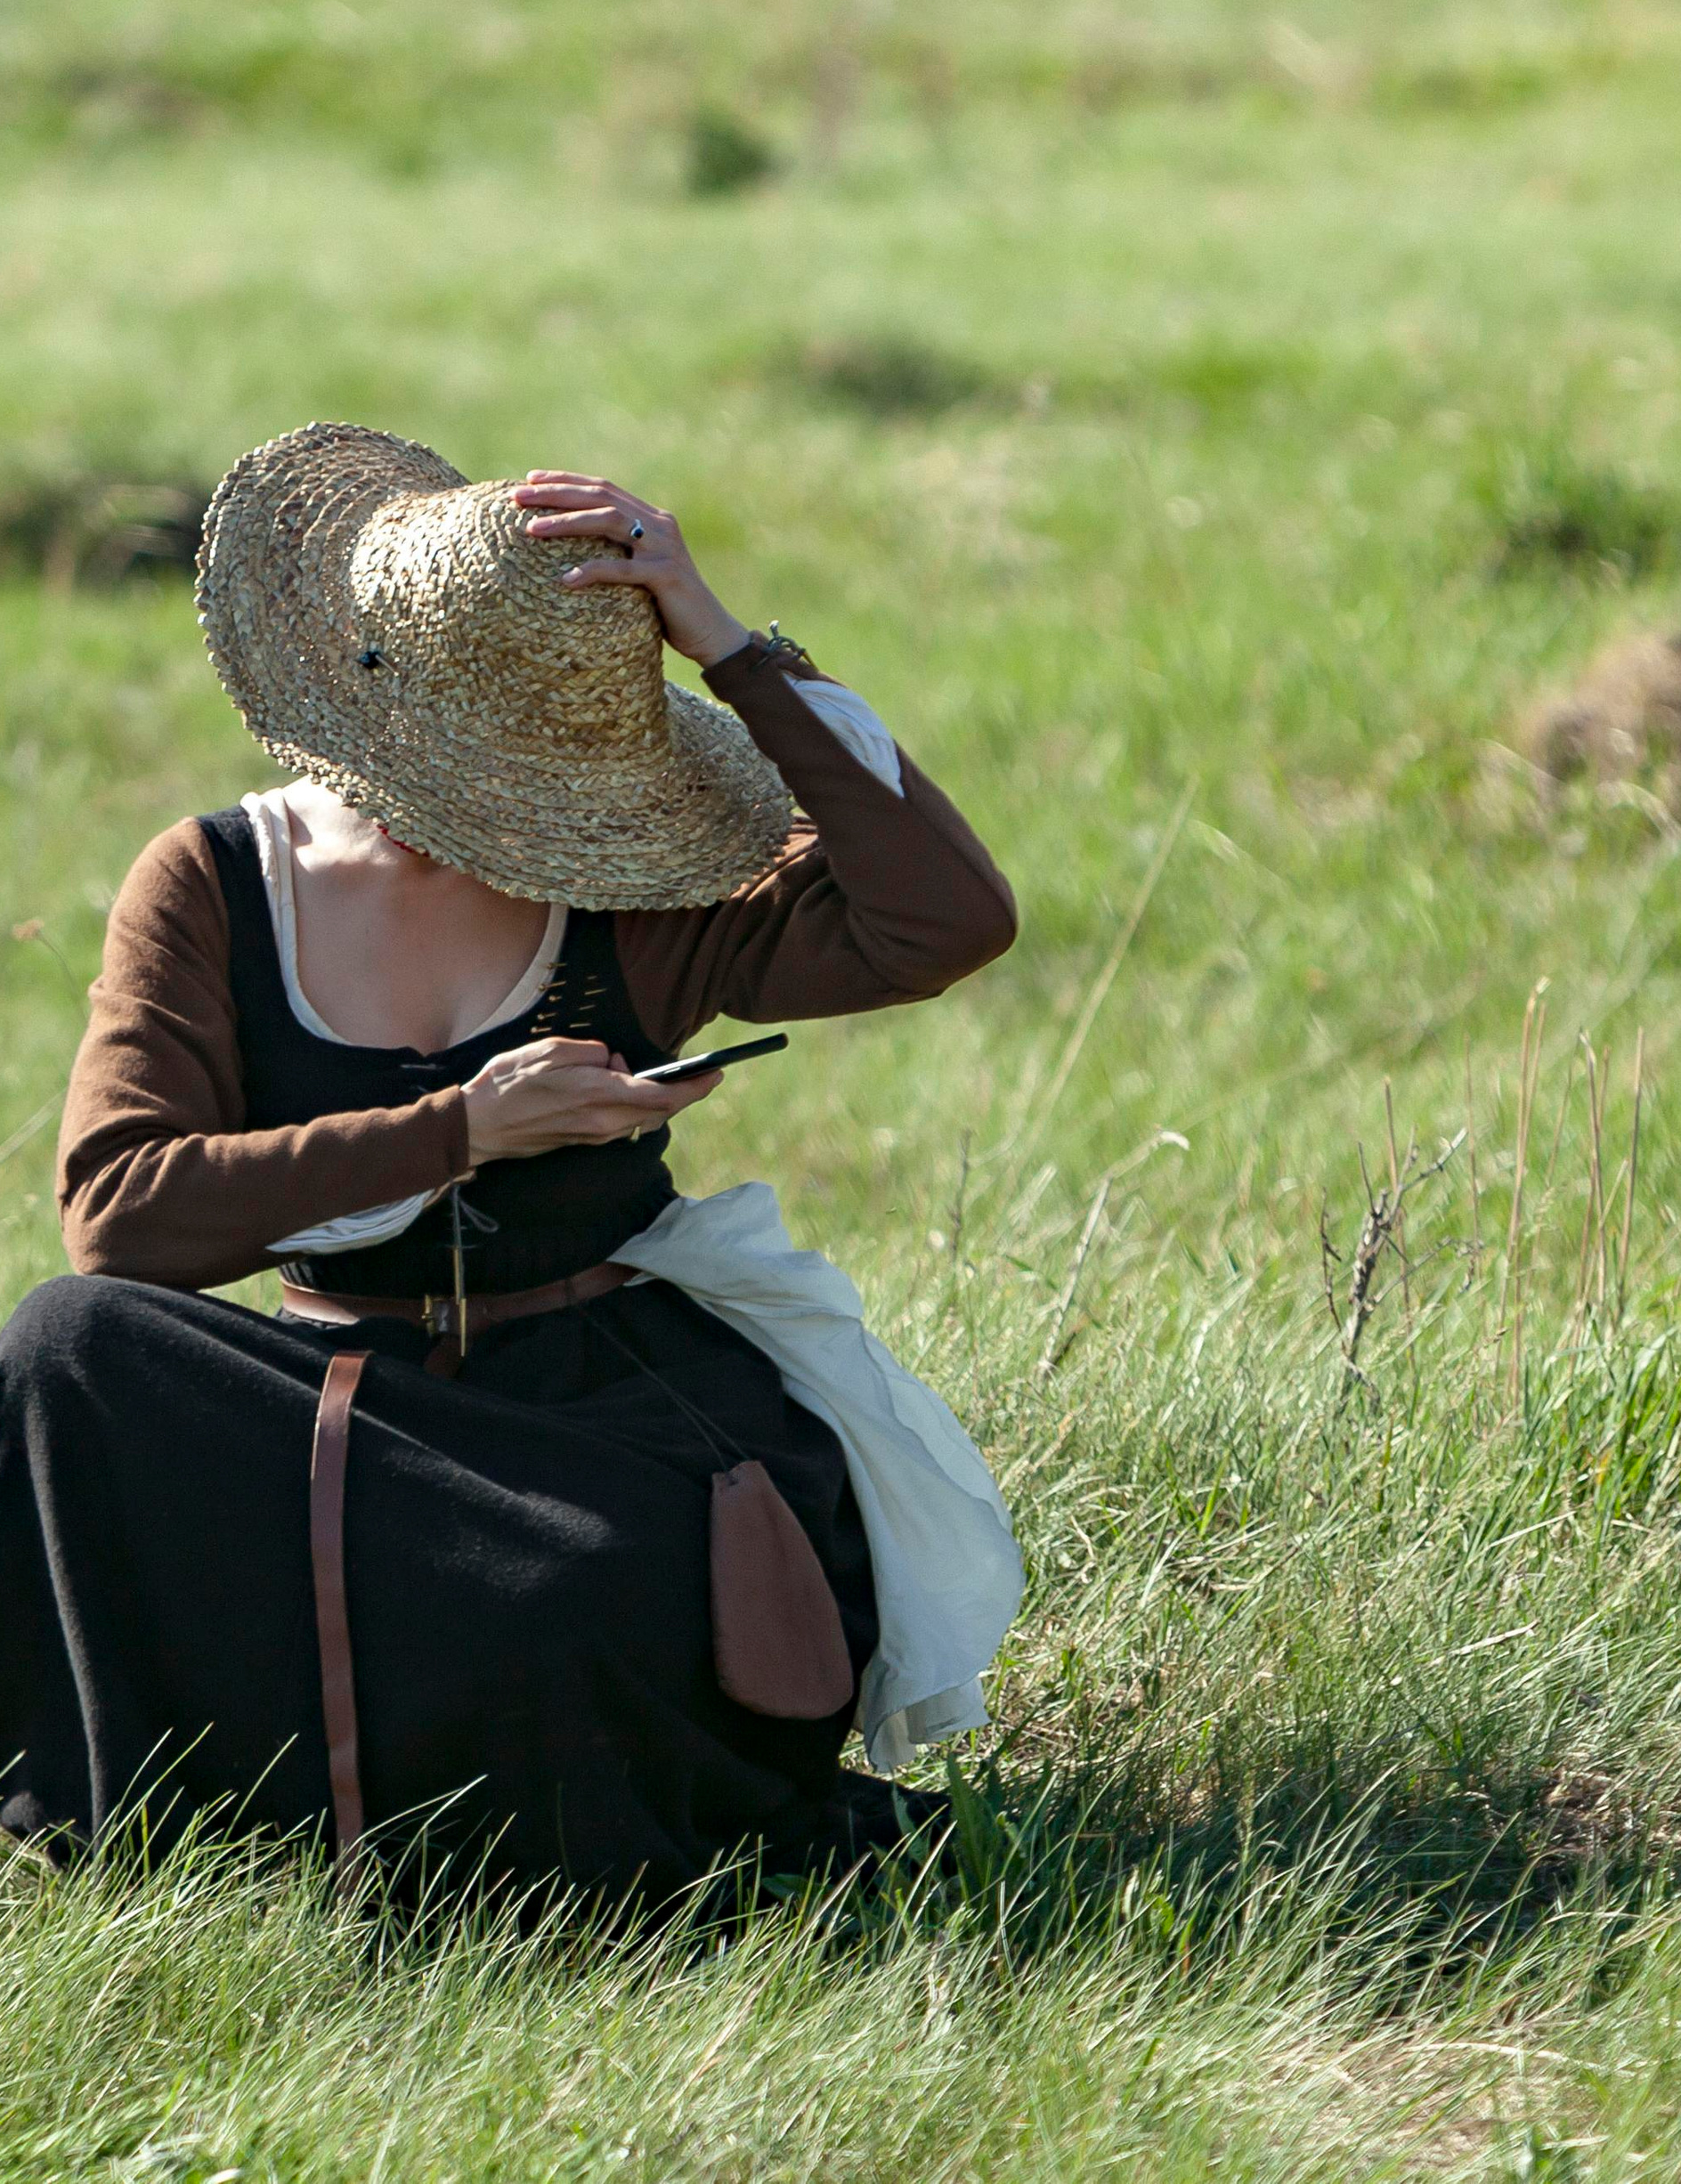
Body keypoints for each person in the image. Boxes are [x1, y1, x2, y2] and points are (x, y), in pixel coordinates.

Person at [0, 421, 1023, 1904]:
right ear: (366, 683)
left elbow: (944, 920)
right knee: (62, 1346)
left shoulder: (641, 882)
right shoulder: (217, 882)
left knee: (581, 1592)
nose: (520, 809)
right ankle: (174, 1820)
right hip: (339, 1393)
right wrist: (466, 1129)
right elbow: (123, 1220)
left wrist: (732, 648)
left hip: (604, 1400)